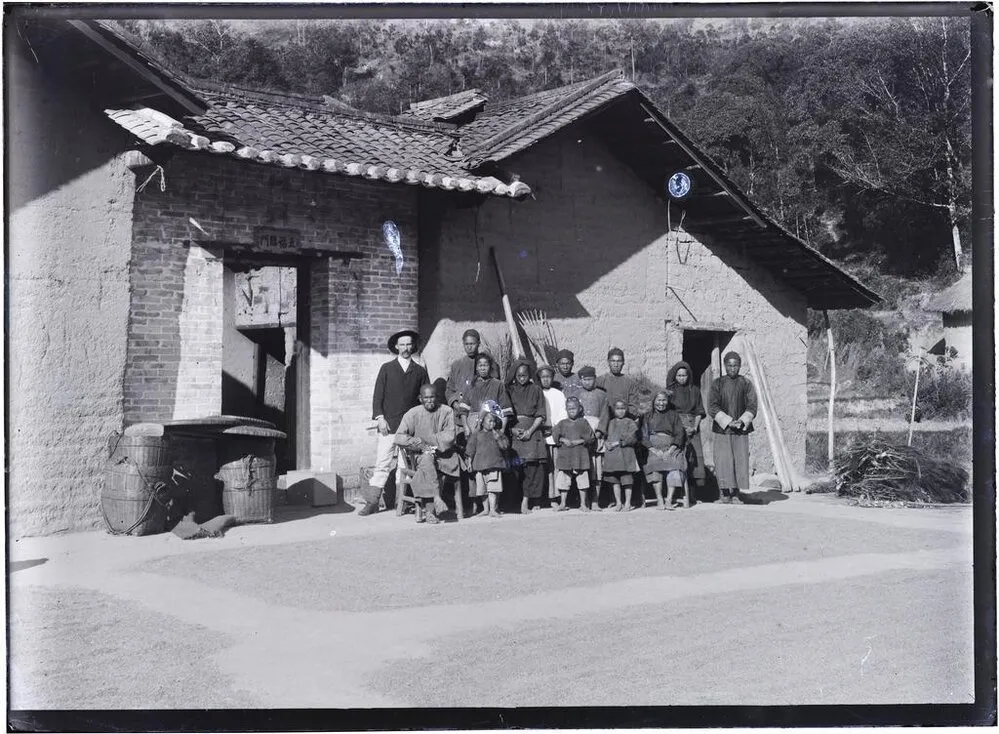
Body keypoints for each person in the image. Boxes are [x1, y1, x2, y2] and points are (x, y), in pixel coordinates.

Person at [364, 329, 429, 516]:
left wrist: (419, 424)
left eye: (409, 344)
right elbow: (378, 396)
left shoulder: (420, 371)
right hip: (389, 425)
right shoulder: (386, 368)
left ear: (413, 346)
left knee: (404, 465)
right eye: (402, 345)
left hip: (408, 428)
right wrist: (380, 418)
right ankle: (373, 501)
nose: (406, 348)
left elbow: (424, 399)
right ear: (396, 347)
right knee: (382, 462)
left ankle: (401, 502)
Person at [394, 384, 461, 524]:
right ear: (420, 399)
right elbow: (399, 437)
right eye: (426, 398)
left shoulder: (446, 411)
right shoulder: (413, 413)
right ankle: (433, 505)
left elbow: (449, 435)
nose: (430, 401)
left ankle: (433, 505)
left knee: (430, 460)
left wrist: (426, 439)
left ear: (437, 398)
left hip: (443, 453)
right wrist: (416, 442)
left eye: (432, 397)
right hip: (420, 453)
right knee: (427, 459)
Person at [707, 351, 758, 504]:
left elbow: (752, 405)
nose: (732, 368)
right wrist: (728, 421)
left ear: (740, 366)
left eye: (735, 365)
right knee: (723, 460)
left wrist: (741, 421)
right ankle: (724, 493)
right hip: (722, 428)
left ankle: (736, 493)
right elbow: (712, 406)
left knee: (739, 460)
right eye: (729, 365)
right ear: (724, 366)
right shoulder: (717, 383)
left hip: (741, 429)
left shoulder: (746, 383)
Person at [507, 360, 548, 514]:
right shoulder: (509, 390)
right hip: (515, 433)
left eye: (524, 375)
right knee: (516, 467)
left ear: (529, 375)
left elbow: (541, 414)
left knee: (532, 469)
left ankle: (526, 500)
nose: (521, 378)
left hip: (532, 432)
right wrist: (512, 430)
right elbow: (504, 412)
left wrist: (530, 431)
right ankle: (512, 501)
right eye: (518, 375)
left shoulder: (536, 389)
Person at [666, 360, 708, 496]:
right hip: (677, 426)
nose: (681, 378)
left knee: (693, 459)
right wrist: (681, 428)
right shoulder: (670, 391)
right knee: (677, 457)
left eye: (684, 375)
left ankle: (692, 494)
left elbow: (699, 411)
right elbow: (669, 412)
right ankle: (677, 493)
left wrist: (694, 427)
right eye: (679, 376)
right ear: (674, 376)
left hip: (693, 427)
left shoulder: (694, 390)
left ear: (688, 375)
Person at [641, 390, 688, 510]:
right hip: (654, 448)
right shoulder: (648, 416)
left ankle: (669, 499)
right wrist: (654, 450)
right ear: (654, 401)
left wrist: (670, 451)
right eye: (658, 400)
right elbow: (644, 436)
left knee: (674, 466)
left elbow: (679, 434)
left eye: (664, 400)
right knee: (654, 465)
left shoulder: (673, 415)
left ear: (667, 401)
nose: (661, 403)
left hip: (671, 448)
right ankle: (659, 499)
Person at [445, 329, 499, 428]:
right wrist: (456, 404)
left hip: (484, 417)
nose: (469, 347)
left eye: (472, 344)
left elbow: (495, 390)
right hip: (461, 418)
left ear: (478, 343)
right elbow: (449, 390)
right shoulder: (457, 365)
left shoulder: (488, 364)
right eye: (466, 344)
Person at [551, 396, 597, 511]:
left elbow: (591, 438)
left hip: (580, 455)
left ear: (579, 409)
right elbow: (555, 436)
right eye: (569, 409)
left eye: (574, 408)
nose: (572, 411)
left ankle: (583, 504)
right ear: (566, 410)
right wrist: (563, 440)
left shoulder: (583, 422)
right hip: (566, 455)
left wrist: (579, 441)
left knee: (582, 480)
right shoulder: (562, 423)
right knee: (563, 480)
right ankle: (562, 503)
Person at [464, 410, 509, 518]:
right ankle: (486, 509)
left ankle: (493, 509)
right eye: (489, 421)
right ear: (482, 422)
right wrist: (469, 461)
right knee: (482, 490)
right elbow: (470, 449)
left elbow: (505, 446)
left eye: (493, 421)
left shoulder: (498, 433)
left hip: (494, 465)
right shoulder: (476, 435)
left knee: (493, 488)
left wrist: (498, 437)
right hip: (480, 466)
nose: (492, 424)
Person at [577, 365, 609, 506]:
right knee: (583, 468)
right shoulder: (577, 394)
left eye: (590, 379)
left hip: (597, 434)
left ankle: (595, 500)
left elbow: (605, 415)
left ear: (595, 379)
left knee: (597, 470)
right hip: (582, 435)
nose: (587, 382)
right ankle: (584, 501)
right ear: (580, 380)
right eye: (584, 379)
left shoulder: (602, 395)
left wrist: (599, 431)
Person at [537, 364, 568, 506]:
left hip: (554, 435)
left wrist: (556, 431)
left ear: (552, 378)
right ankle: (540, 497)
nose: (545, 380)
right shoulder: (537, 392)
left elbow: (562, 415)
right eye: (543, 377)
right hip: (540, 434)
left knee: (555, 467)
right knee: (542, 468)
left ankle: (554, 497)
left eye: (548, 377)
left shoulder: (558, 394)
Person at [602, 399, 641, 511]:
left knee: (627, 480)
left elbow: (632, 438)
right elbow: (606, 436)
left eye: (623, 408)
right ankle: (619, 502)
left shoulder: (630, 422)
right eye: (618, 409)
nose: (620, 411)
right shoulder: (610, 422)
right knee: (615, 480)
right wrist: (607, 443)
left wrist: (618, 443)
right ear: (614, 410)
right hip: (613, 456)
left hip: (626, 455)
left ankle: (628, 502)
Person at [463, 353, 513, 433]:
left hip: (492, 425)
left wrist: (502, 429)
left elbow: (505, 410)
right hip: (473, 426)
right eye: (480, 365)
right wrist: (466, 427)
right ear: (476, 368)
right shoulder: (470, 386)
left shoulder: (498, 385)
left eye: (485, 365)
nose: (483, 368)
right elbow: (464, 410)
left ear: (490, 367)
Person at [597, 347, 641, 418]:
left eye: (619, 361)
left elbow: (633, 406)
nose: (616, 364)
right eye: (613, 361)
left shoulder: (630, 382)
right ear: (608, 362)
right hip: (605, 420)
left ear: (623, 362)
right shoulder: (600, 381)